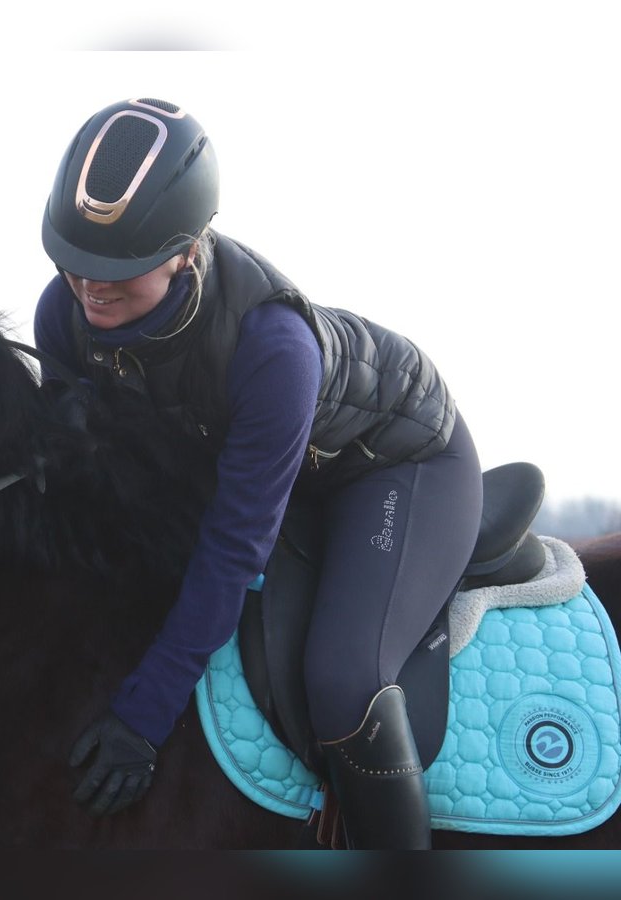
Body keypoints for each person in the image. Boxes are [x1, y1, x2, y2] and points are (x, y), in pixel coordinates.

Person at [38, 97, 483, 849]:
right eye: (76, 264)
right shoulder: (65, 315)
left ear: (185, 251)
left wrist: (145, 719)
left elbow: (231, 549)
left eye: (120, 271)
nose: (92, 290)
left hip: (397, 468)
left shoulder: (272, 350)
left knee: (344, 681)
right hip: (278, 469)